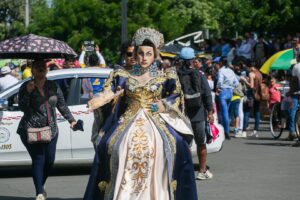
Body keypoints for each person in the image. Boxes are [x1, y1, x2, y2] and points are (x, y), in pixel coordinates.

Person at [84, 27, 197, 200]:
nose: (144, 58)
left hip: (155, 122)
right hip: (128, 120)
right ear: (136, 54)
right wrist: (100, 99)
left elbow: (176, 96)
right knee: (108, 145)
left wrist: (163, 105)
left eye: (148, 54)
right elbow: (109, 90)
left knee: (178, 145)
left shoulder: (164, 76)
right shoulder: (123, 75)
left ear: (155, 55)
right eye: (141, 53)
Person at [17, 60, 78, 200]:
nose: (40, 69)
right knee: (39, 159)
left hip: (51, 129)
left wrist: (72, 120)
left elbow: (62, 105)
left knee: (49, 161)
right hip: (31, 129)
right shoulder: (26, 86)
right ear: (32, 70)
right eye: (37, 66)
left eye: (42, 66)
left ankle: (40, 183)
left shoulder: (53, 86)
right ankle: (39, 193)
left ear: (46, 69)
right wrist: (27, 92)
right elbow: (22, 107)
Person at [177, 47, 214, 180]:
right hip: (198, 113)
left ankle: (183, 170)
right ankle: (202, 171)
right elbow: (207, 94)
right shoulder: (199, 75)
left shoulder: (177, 75)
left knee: (184, 143)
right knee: (201, 142)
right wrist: (210, 112)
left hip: (182, 114)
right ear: (193, 60)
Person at [215, 57, 239, 139]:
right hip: (230, 92)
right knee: (226, 113)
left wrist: (218, 87)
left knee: (224, 112)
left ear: (220, 63)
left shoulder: (221, 71)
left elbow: (220, 81)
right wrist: (232, 87)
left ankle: (226, 132)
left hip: (223, 92)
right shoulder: (231, 71)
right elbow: (236, 82)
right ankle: (225, 131)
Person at [240, 63, 262, 137]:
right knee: (257, 112)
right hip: (258, 95)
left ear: (252, 67)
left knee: (246, 112)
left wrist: (245, 80)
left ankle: (244, 131)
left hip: (251, 94)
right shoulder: (260, 74)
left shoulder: (251, 74)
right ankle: (255, 131)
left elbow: (251, 86)